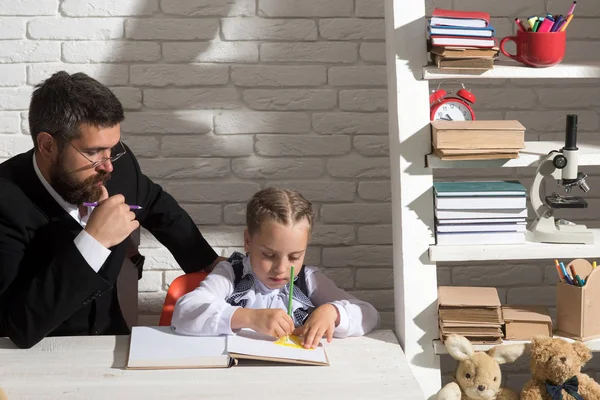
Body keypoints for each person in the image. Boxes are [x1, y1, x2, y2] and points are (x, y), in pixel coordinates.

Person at [0, 71, 224, 348]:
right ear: (48, 145)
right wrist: (94, 241)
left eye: (112, 149)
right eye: (93, 152)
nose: (108, 166)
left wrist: (208, 264)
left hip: (113, 340)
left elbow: (156, 203)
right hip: (39, 355)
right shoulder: (5, 202)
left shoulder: (118, 166)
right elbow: (19, 326)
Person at [171, 187, 379, 349]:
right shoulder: (230, 274)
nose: (281, 268)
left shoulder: (309, 279)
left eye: (294, 257)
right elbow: (184, 312)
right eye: (269, 255)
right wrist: (250, 318)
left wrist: (332, 312)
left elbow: (369, 314)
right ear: (248, 241)